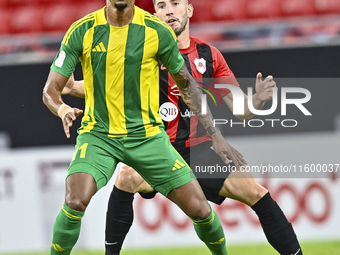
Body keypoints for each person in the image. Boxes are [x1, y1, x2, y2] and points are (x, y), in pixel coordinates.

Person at [63, 1, 303, 255]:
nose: (168, 10)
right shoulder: (141, 53)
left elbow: (240, 108)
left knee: (257, 192)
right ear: (154, 13)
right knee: (126, 177)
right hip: (157, 149)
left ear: (188, 10)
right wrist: (69, 86)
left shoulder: (209, 55)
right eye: (161, 5)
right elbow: (103, 89)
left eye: (175, 3)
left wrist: (257, 100)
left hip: (200, 151)